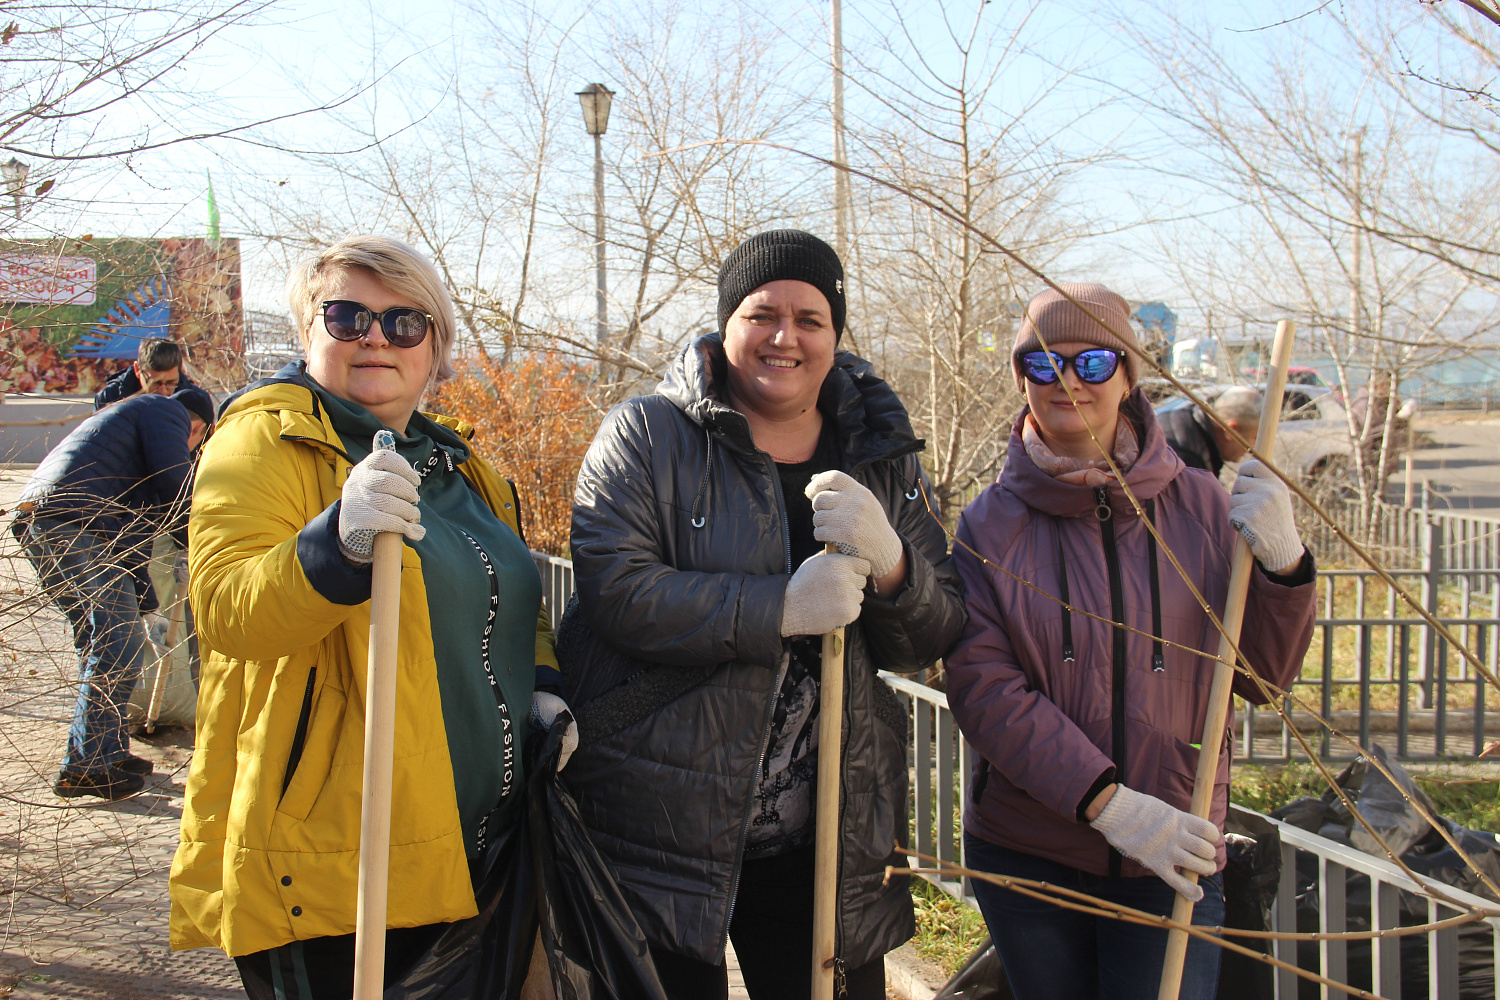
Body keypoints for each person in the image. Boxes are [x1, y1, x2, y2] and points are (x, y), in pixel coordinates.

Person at [561, 230, 967, 1000]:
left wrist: (894, 565)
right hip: (657, 826)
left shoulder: (880, 454)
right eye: (762, 315)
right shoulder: (647, 435)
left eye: (810, 319)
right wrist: (780, 608)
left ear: (836, 334)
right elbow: (618, 592)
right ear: (726, 325)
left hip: (823, 833)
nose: (786, 337)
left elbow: (933, 633)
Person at [167, 236, 572, 999]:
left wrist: (544, 687)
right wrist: (337, 544)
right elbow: (226, 612)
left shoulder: (466, 469)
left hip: (480, 854)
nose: (376, 338)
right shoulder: (264, 441)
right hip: (338, 864)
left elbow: (514, 603)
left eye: (404, 322)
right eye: (347, 317)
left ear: (436, 348)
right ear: (308, 332)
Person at [945, 284, 1317, 1000]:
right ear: (1021, 378)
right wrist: (1109, 805)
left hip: (1172, 851)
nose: (1068, 381)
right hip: (1030, 855)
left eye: (1093, 363)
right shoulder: (990, 525)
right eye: (1044, 363)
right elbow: (985, 690)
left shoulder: (1202, 506)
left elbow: (1262, 678)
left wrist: (1284, 567)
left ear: (1128, 376)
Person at [15, 386, 213, 799]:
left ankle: (106, 751)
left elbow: (132, 545)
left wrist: (145, 601)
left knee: (103, 642)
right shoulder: (167, 411)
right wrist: (204, 541)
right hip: (72, 521)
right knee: (118, 643)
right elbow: (174, 485)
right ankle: (87, 767)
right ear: (200, 428)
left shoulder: (133, 430)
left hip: (51, 520)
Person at [1156, 385, 1262, 478]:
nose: (1253, 446)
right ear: (1232, 431)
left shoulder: (1188, 420)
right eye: (1254, 438)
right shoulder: (1186, 460)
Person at [93, 338, 198, 408]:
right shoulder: (110, 398)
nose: (163, 391)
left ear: (180, 370)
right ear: (137, 370)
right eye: (155, 383)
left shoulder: (194, 401)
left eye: (170, 383)